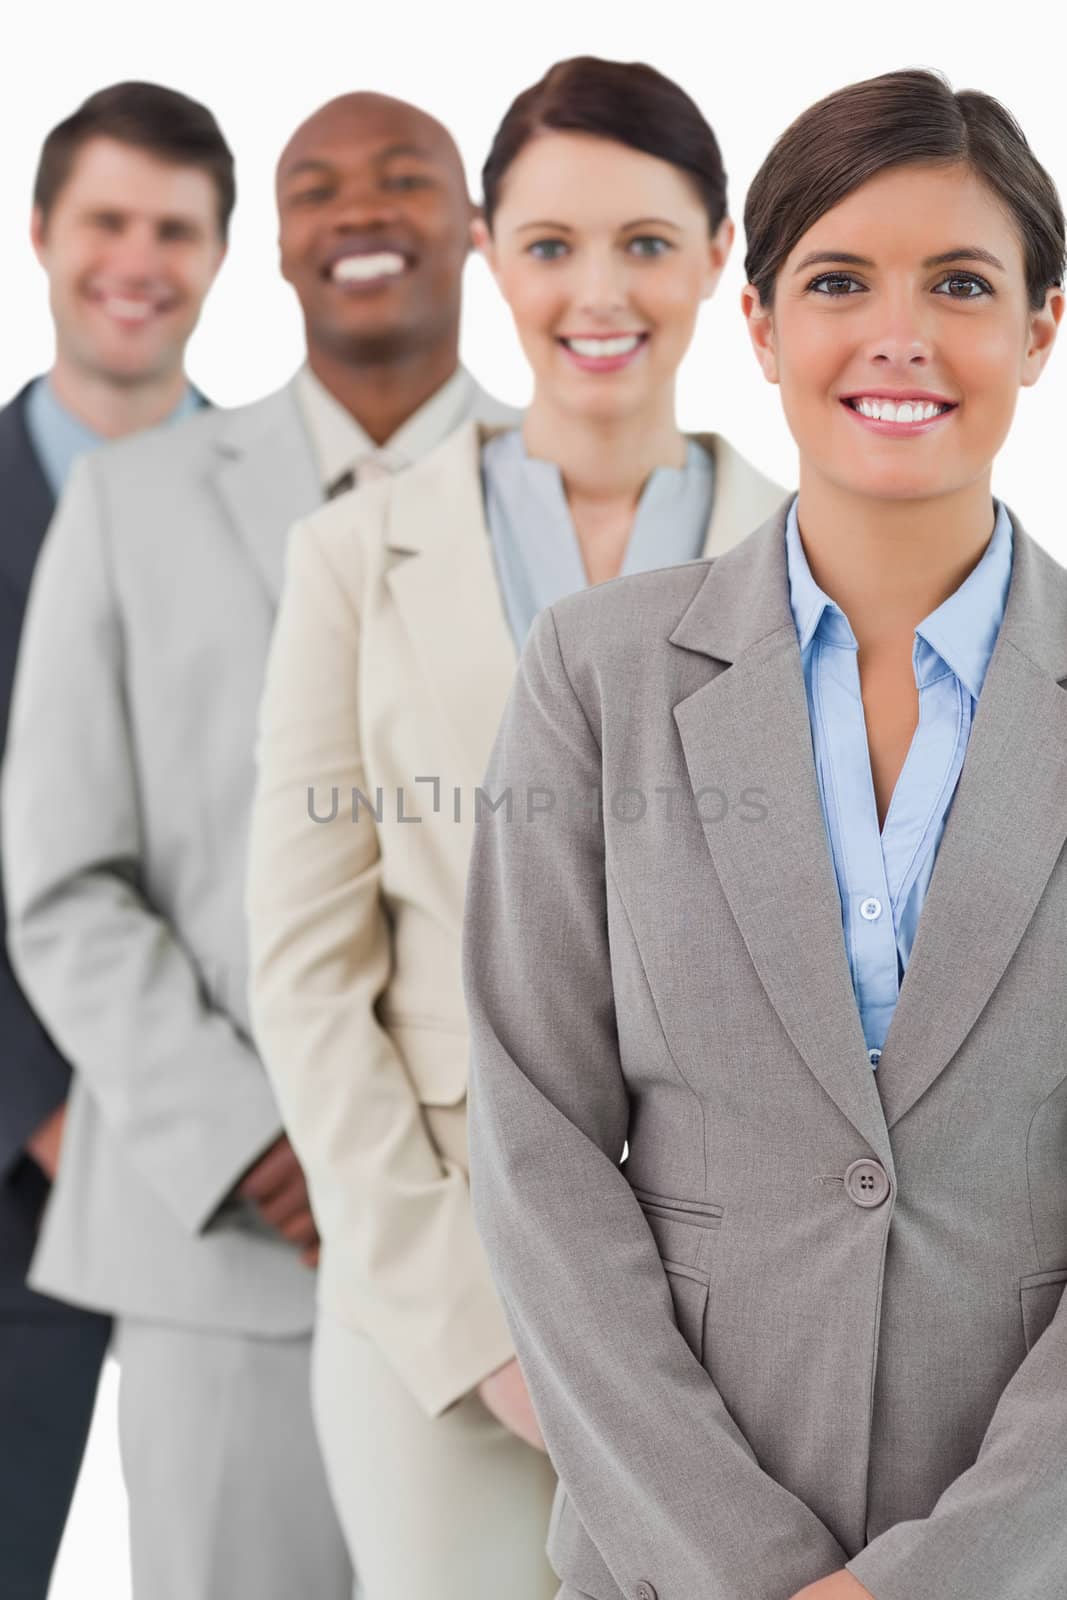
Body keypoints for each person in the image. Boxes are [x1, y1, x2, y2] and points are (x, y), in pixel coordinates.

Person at [462, 67, 1066, 1600]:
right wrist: (743, 1571)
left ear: (1043, 328)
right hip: (666, 1557)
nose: (900, 333)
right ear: (762, 323)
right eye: (841, 280)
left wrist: (941, 1576)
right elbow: (537, 1145)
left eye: (963, 283)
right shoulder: (598, 673)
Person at [246, 56, 784, 1600]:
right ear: (490, 254)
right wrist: (470, 1329)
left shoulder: (812, 550)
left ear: (717, 253)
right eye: (550, 245)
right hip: (441, 1294)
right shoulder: (355, 553)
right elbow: (304, 967)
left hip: (740, 1311)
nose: (596, 291)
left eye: (645, 242)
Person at [1, 90, 514, 1600]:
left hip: (509, 1245)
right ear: (279, 246)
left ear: (473, 228)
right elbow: (61, 878)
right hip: (224, 1247)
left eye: (406, 179)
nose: (362, 212)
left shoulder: (574, 494)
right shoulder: (132, 506)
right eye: (319, 187)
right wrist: (248, 1139)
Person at [0, 81, 229, 1599]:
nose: (137, 260)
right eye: (107, 221)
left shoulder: (324, 515)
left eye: (175, 228)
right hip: (21, 1171)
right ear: (39, 234)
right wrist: (52, 1112)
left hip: (274, 1188)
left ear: (220, 256)